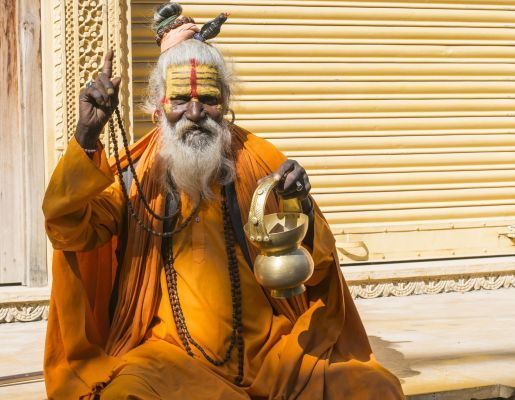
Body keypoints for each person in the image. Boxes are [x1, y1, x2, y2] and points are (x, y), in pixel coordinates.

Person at [42, 3, 405, 399]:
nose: (194, 112)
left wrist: (300, 207)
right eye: (180, 98)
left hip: (270, 355)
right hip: (168, 360)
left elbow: (315, 270)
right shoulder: (135, 176)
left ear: (226, 99)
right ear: (158, 104)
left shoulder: (260, 160)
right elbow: (68, 229)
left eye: (208, 98)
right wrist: (86, 137)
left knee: (373, 388)